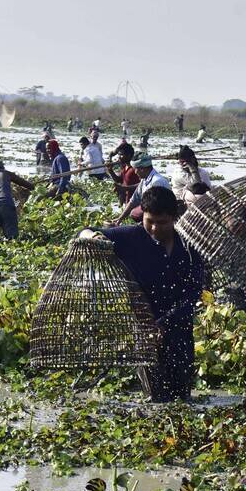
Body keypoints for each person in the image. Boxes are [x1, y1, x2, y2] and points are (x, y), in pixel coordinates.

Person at [80, 187, 203, 401]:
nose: (154, 228)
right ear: (143, 216)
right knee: (155, 399)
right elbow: (83, 232)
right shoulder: (131, 237)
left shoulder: (188, 246)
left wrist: (165, 322)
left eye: (162, 222)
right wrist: (93, 236)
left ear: (174, 218)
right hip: (145, 331)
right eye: (149, 221)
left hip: (180, 330)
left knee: (182, 397)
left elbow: (193, 292)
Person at [113, 153, 171, 224]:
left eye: (136, 169)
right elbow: (133, 200)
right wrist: (120, 218)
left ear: (142, 169)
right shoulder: (144, 180)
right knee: (133, 213)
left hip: (161, 218)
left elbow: (157, 209)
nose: (135, 172)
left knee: (135, 214)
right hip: (151, 213)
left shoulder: (157, 182)